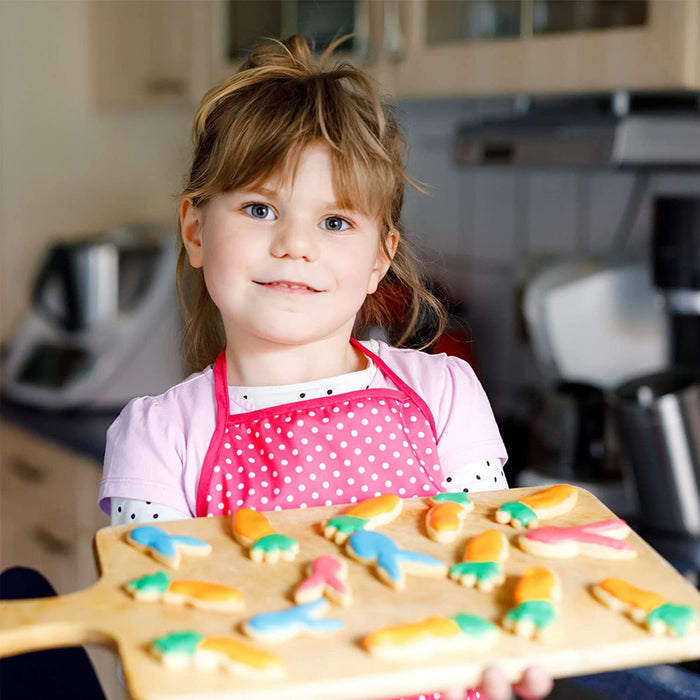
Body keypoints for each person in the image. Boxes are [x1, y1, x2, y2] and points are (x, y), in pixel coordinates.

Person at [99, 35, 552, 700]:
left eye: (336, 222)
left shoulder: (445, 394)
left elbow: (487, 569)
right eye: (260, 209)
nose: (295, 246)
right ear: (196, 231)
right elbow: (161, 640)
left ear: (380, 256)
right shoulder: (159, 437)